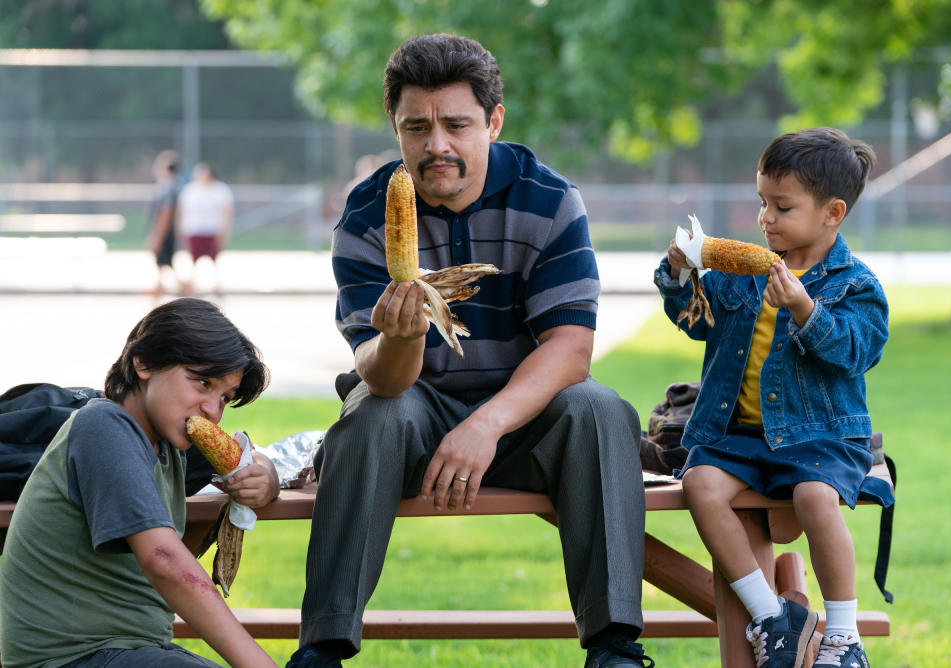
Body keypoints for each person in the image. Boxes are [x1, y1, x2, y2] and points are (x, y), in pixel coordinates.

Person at [288, 34, 652, 668]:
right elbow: (376, 373)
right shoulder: (365, 216)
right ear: (395, 128)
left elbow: (569, 350)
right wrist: (402, 337)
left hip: (523, 419)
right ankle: (321, 647)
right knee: (369, 418)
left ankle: (614, 647)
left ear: (494, 122)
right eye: (417, 127)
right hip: (412, 411)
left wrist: (485, 425)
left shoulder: (551, 201)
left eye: (457, 124)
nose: (437, 146)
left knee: (599, 410)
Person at [653, 127, 894, 668]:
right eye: (762, 202)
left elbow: (858, 351)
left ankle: (842, 636)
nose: (766, 218)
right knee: (700, 484)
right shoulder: (742, 273)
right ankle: (769, 614)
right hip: (739, 435)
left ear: (832, 213)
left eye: (782, 207)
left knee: (814, 498)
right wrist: (678, 276)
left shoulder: (855, 284)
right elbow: (696, 320)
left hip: (821, 435)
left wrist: (808, 310)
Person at [0, 298, 280, 668]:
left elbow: (249, 455)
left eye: (225, 397)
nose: (213, 410)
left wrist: (268, 478)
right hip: (70, 657)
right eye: (202, 381)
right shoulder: (105, 426)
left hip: (132, 649)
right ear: (143, 362)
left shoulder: (172, 442)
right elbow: (163, 560)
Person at [177, 162, 234, 296]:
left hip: (212, 230)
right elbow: (183, 211)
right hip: (194, 230)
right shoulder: (190, 190)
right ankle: (192, 286)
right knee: (193, 259)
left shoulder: (220, 190)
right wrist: (182, 230)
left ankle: (216, 285)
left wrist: (224, 232)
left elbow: (225, 212)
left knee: (214, 258)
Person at [146, 149, 186, 297]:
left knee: (165, 261)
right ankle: (158, 288)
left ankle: (184, 288)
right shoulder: (178, 185)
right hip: (172, 230)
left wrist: (157, 235)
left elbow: (166, 212)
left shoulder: (167, 188)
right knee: (164, 263)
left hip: (166, 231)